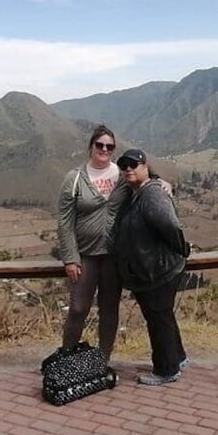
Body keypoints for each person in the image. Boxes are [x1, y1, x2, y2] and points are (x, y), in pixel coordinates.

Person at [113, 148, 190, 386]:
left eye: (133, 164)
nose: (128, 169)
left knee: (158, 318)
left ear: (145, 166)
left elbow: (169, 225)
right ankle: (178, 358)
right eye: (124, 165)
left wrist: (180, 249)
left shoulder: (152, 194)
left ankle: (166, 370)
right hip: (150, 269)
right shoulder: (135, 193)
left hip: (158, 269)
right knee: (162, 315)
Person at [56, 125, 124, 360]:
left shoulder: (122, 175)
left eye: (109, 146)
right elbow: (64, 221)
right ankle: (67, 358)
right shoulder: (74, 179)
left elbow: (146, 177)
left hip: (114, 256)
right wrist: (70, 258)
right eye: (100, 145)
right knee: (77, 309)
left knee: (109, 310)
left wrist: (164, 183)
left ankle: (102, 360)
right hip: (85, 256)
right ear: (91, 147)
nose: (104, 149)